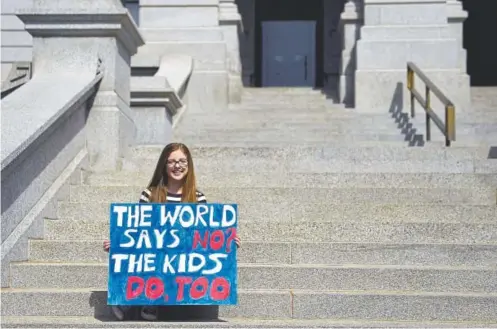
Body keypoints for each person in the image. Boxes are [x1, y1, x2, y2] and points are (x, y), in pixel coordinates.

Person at [103, 142, 241, 321]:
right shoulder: (150, 195)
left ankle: (147, 298)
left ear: (189, 165)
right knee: (155, 246)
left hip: (184, 255)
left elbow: (205, 237)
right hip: (155, 253)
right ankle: (143, 300)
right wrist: (119, 245)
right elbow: (137, 233)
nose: (177, 166)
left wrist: (225, 243)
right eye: (172, 161)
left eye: (182, 161)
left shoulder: (198, 198)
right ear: (164, 165)